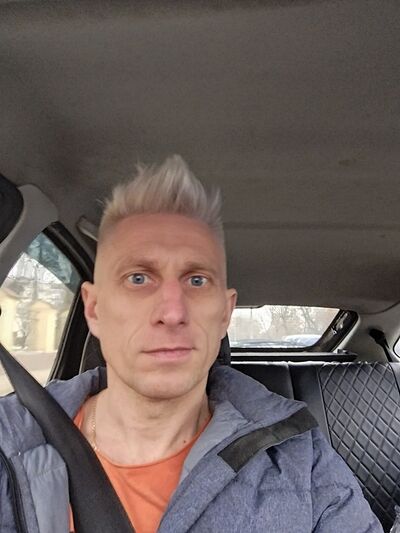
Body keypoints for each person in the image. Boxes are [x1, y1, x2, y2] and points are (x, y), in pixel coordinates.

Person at [0, 155, 383, 533]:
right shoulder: (11, 441)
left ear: (225, 313)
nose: (172, 312)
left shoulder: (302, 458)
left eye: (197, 280)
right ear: (94, 309)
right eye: (138, 278)